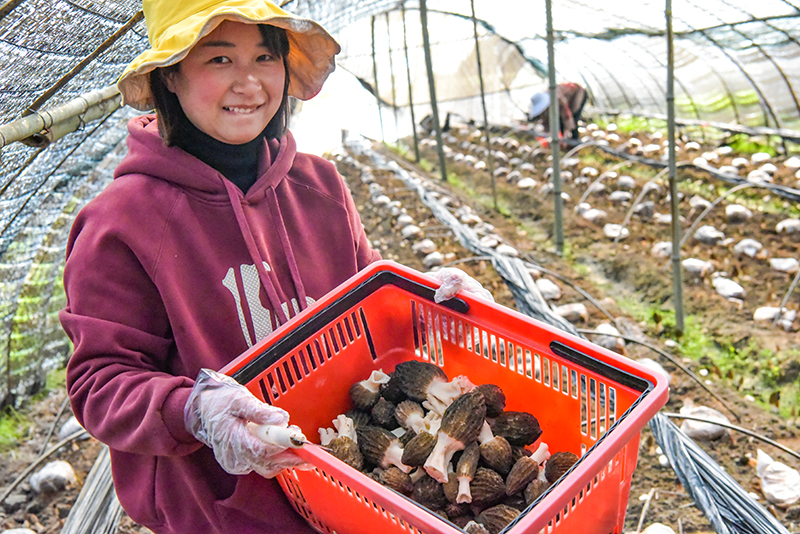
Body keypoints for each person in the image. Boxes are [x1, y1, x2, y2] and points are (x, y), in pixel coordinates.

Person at [59, 1, 491, 533]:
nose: (249, 84)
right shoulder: (121, 222)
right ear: (169, 74)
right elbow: (100, 383)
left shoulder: (320, 185)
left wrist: (429, 301)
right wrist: (193, 410)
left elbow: (367, 295)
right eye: (219, 60)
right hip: (225, 512)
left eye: (265, 56)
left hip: (350, 481)